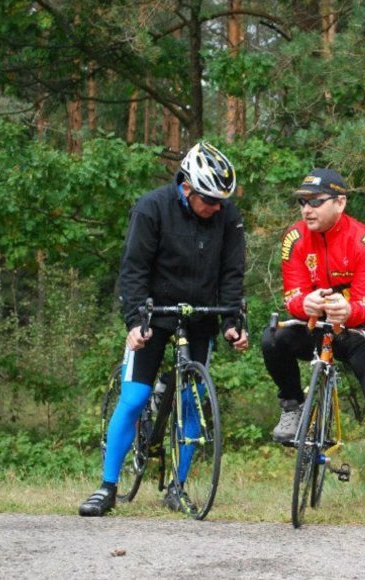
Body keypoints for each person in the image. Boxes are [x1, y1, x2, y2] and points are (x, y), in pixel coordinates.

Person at [79, 142, 249, 517]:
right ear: (187, 188)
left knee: (190, 402)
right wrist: (135, 322)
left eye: (223, 200)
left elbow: (232, 273)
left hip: (200, 313)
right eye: (210, 200)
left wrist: (233, 322)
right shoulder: (151, 208)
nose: (218, 208)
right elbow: (134, 270)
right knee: (135, 398)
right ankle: (107, 487)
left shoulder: (227, 215)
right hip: (154, 314)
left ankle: (178, 486)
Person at [261, 168, 365, 527]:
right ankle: (292, 406)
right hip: (316, 328)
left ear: (340, 202)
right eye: (302, 202)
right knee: (272, 338)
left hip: (360, 330)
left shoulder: (364, 241)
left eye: (315, 202)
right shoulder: (294, 239)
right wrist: (304, 305)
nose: (306, 209)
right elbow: (293, 294)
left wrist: (351, 310)